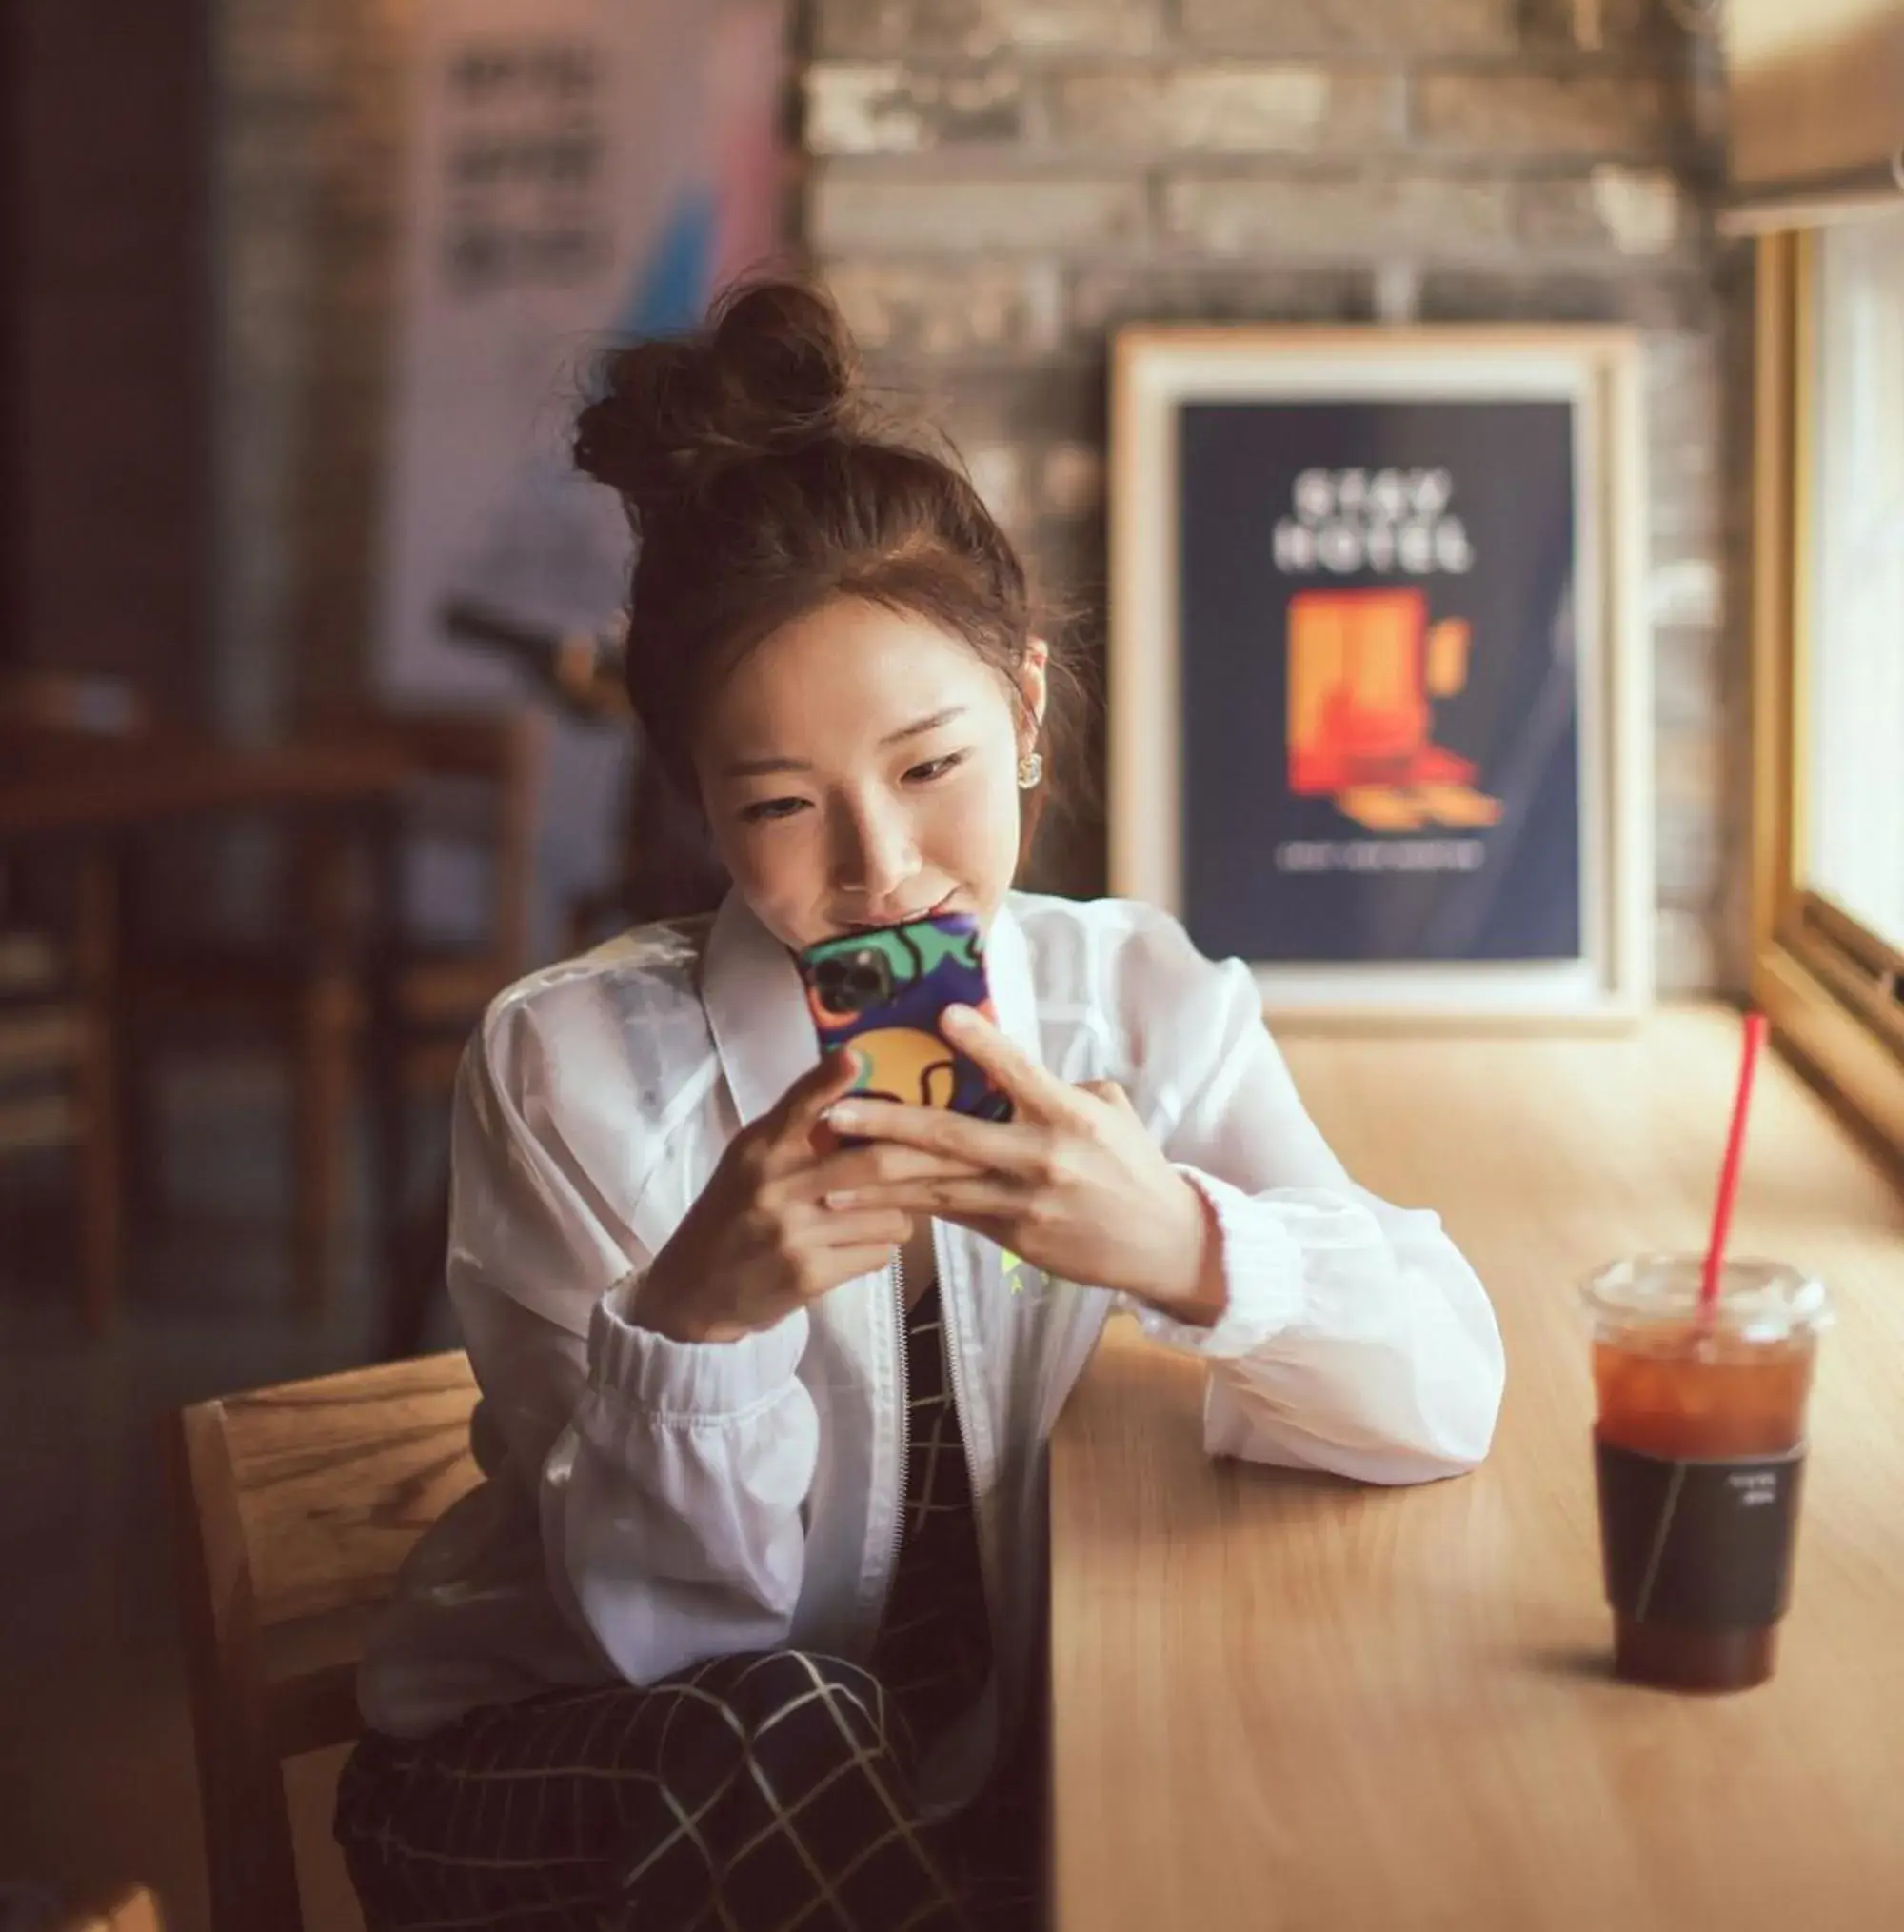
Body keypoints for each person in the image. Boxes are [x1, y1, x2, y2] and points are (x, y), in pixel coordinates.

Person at [333, 279, 1505, 1932]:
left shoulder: (1140, 1007)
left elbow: (1443, 1392)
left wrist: (1180, 1242)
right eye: (782, 805)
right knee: (805, 1725)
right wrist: (696, 1321)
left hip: (924, 1804)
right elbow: (675, 1647)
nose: (880, 867)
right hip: (562, 1778)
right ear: (700, 809)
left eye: (932, 766)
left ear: (1024, 711)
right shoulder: (573, 1071)